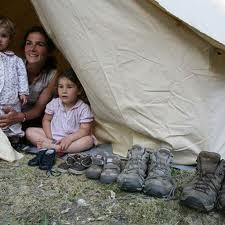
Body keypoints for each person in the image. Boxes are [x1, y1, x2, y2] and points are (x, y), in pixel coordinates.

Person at [0, 25, 58, 133]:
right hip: (7, 112)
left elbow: (37, 110)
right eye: (29, 43)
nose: (32, 49)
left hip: (30, 120)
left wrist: (19, 117)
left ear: (49, 50)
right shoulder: (14, 64)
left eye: (40, 44)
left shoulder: (52, 75)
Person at [25, 69, 95, 154]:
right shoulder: (54, 103)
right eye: (61, 86)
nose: (64, 91)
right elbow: (46, 120)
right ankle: (55, 146)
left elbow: (84, 129)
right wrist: (49, 137)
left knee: (88, 140)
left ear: (79, 90)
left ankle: (54, 148)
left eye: (69, 87)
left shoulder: (83, 108)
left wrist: (69, 138)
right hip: (53, 136)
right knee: (29, 131)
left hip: (72, 140)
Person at [0, 16, 29, 141]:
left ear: (10, 39)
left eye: (3, 36)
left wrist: (23, 92)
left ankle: (14, 140)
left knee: (13, 121)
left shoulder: (16, 60)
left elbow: (22, 76)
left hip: (12, 99)